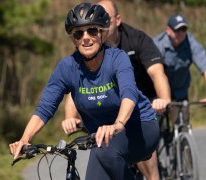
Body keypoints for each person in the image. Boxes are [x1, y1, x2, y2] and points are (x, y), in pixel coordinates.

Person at [10, 3, 159, 180]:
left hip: (139, 127)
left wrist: (117, 125)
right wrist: (25, 139)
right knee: (101, 156)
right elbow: (45, 108)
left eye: (92, 31)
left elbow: (129, 93)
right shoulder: (67, 68)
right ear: (73, 39)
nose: (85, 38)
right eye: (78, 33)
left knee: (105, 152)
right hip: (101, 140)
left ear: (102, 33)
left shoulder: (118, 59)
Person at [61, 0, 170, 179]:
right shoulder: (89, 49)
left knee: (146, 160)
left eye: (105, 19)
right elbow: (79, 86)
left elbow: (158, 73)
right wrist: (70, 117)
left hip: (142, 101)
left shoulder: (137, 39)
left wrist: (164, 99)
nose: (88, 32)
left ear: (117, 20)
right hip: (110, 105)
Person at [153, 14, 206, 123]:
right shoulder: (158, 44)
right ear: (168, 30)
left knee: (183, 124)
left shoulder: (191, 43)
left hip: (180, 92)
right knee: (155, 125)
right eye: (177, 30)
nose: (181, 33)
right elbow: (150, 71)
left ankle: (182, 137)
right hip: (159, 92)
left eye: (184, 29)